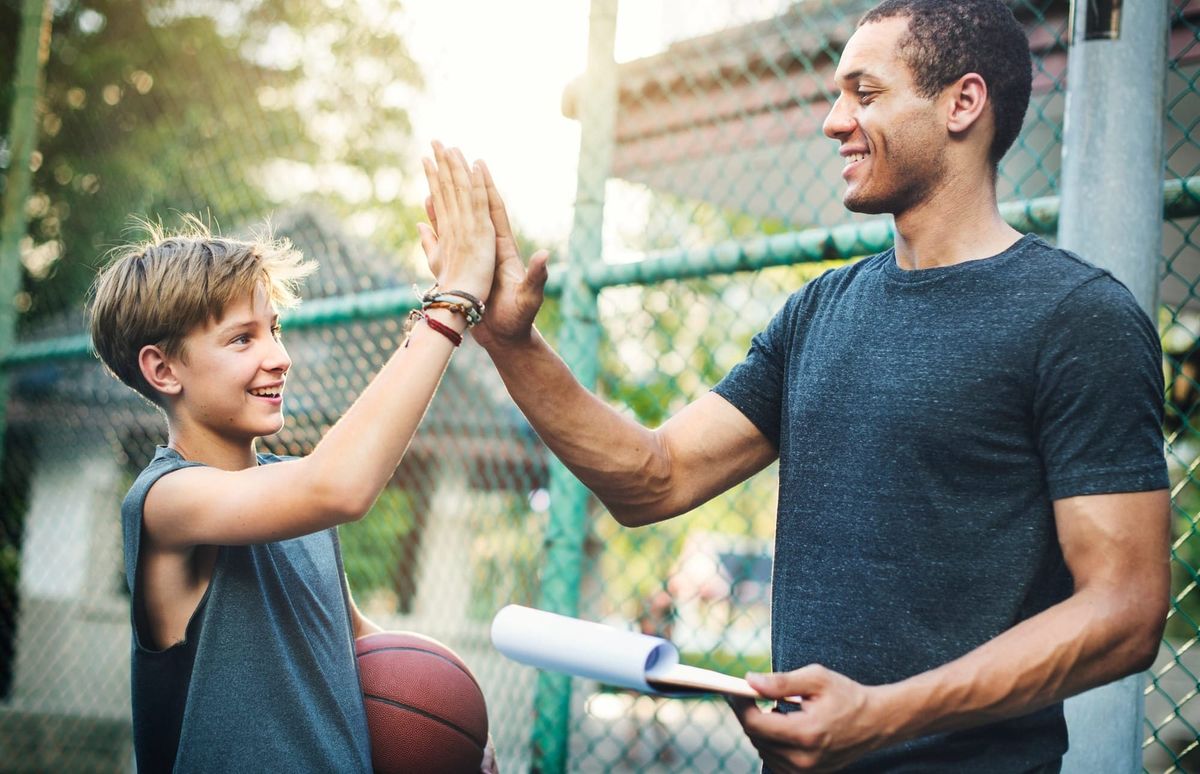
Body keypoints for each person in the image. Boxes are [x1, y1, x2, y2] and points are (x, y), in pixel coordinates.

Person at [420, 0, 1170, 770]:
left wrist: (884, 715)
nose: (833, 121)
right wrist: (511, 343)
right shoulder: (819, 312)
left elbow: (1125, 609)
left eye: (865, 93)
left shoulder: (1077, 318)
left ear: (962, 103)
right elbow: (654, 478)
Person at [89, 145, 497, 772]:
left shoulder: (294, 497)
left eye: (274, 330)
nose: (278, 356)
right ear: (163, 368)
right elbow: (335, 486)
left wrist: (454, 731)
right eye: (242, 339)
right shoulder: (166, 503)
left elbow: (357, 644)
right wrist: (450, 303)